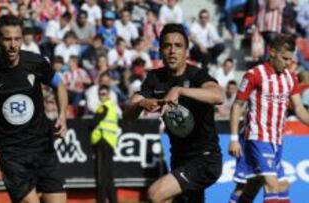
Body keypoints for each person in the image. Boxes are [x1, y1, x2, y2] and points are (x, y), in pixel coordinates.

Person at [0, 15, 68, 203]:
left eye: (17, 39)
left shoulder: (36, 63)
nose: (13, 45)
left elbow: (59, 85)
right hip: (11, 153)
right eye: (7, 39)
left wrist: (62, 116)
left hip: (42, 145)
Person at [124, 23, 223, 203]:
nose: (172, 51)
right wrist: (141, 104)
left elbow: (217, 96)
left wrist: (180, 90)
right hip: (179, 158)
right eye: (167, 46)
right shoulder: (155, 78)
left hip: (205, 159)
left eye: (178, 46)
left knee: (156, 194)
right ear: (160, 50)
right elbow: (128, 112)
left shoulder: (197, 76)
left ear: (186, 51)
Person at [229, 34, 309, 203]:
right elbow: (237, 105)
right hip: (256, 138)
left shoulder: (290, 77)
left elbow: (300, 109)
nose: (288, 63)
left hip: (276, 140)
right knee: (271, 185)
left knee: (275, 185)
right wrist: (234, 139)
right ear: (272, 52)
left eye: (290, 59)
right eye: (284, 58)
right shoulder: (254, 74)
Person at [90, 84, 120, 203]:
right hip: (110, 142)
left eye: (104, 94)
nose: (101, 96)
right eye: (100, 94)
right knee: (108, 176)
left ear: (108, 95)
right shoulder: (112, 106)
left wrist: (90, 127)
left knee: (101, 177)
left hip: (103, 142)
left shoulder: (104, 107)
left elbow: (93, 123)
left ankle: (101, 200)